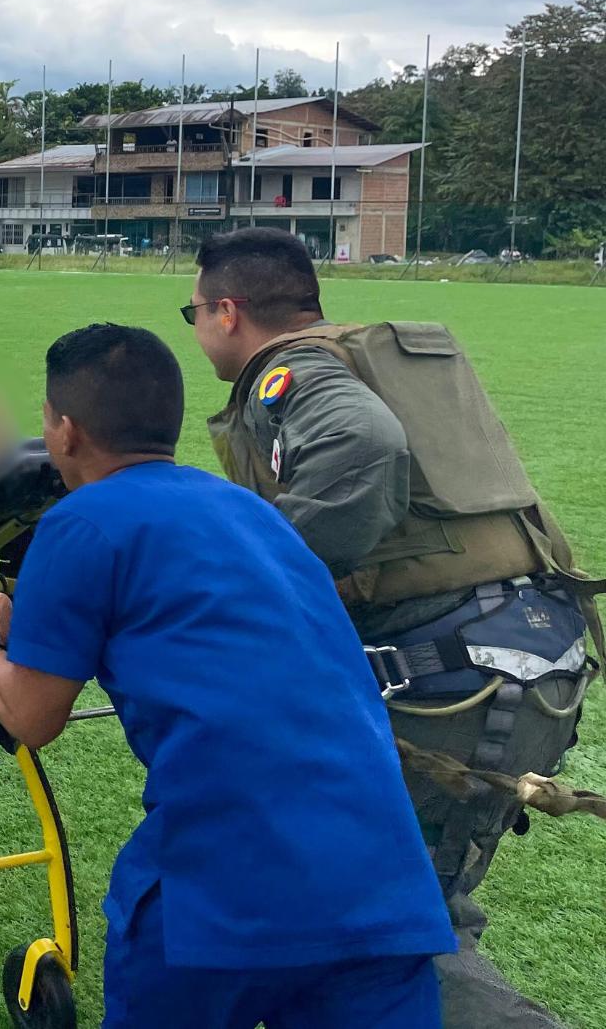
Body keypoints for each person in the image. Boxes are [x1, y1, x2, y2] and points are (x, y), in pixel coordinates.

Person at [0, 324, 452, 1029]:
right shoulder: (257, 515)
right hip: (382, 883)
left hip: (224, 888)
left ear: (64, 430)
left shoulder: (83, 522)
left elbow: (32, 716)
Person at [188, 227, 594, 1029]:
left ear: (227, 311)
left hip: (461, 680)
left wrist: (254, 579)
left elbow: (362, 446)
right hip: (525, 659)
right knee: (411, 902)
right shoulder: (351, 356)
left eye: (193, 310)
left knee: (385, 930)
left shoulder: (292, 371)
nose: (197, 327)